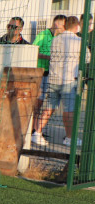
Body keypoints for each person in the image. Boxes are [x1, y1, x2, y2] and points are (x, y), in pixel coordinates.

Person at [34, 16, 83, 147]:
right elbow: (87, 57)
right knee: (69, 111)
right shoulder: (79, 41)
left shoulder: (55, 40)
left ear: (65, 25)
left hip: (53, 79)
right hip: (68, 80)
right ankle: (69, 138)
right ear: (77, 26)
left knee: (48, 108)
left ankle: (37, 134)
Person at [31, 15, 66, 143]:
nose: (63, 29)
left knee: (51, 105)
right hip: (41, 72)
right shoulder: (44, 34)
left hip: (53, 75)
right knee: (38, 103)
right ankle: (34, 130)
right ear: (57, 24)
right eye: (63, 26)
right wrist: (49, 58)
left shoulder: (61, 38)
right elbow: (34, 50)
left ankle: (38, 130)